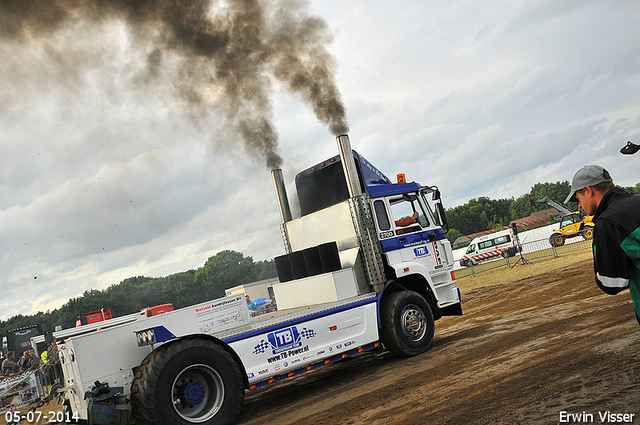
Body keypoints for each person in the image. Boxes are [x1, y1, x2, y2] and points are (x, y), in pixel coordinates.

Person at [565, 164, 640, 325]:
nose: (579, 205)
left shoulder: (606, 223)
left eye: (578, 198)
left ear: (588, 190)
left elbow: (611, 283)